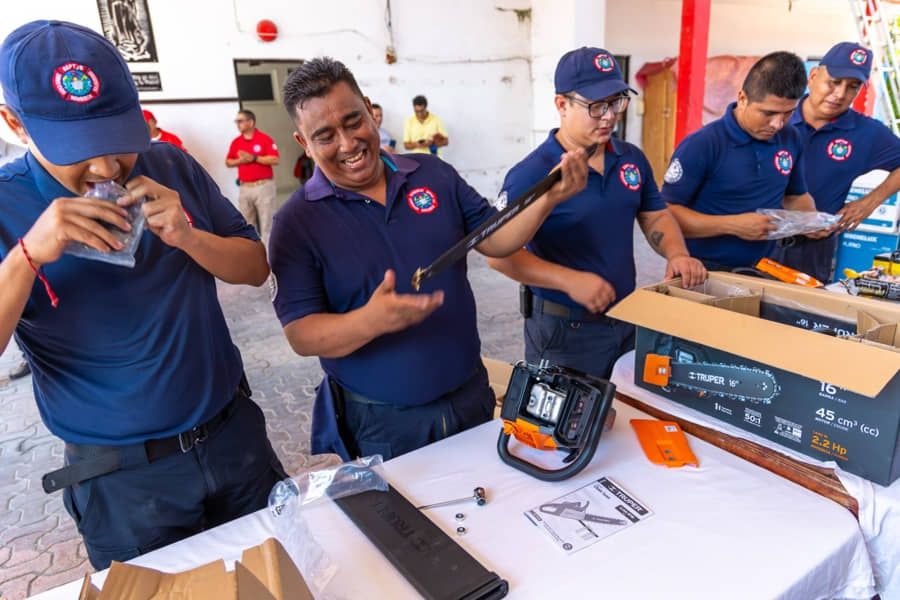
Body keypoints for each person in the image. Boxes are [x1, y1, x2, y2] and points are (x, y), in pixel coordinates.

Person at [0, 21, 285, 569]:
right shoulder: (6, 205)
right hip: (124, 484)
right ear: (15, 124)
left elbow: (254, 267)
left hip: (233, 440)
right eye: (78, 150)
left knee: (278, 577)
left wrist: (190, 237)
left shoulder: (171, 166)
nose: (106, 168)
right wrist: (28, 254)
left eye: (118, 140)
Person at [269, 57, 589, 460]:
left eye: (353, 122)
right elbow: (301, 334)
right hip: (383, 425)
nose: (348, 144)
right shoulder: (296, 223)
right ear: (303, 142)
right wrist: (369, 321)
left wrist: (550, 198)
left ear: (369, 110)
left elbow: (495, 239)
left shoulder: (432, 173)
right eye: (325, 136)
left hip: (470, 398)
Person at [488, 47, 706, 379]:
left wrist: (677, 253)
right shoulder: (532, 174)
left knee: (624, 404)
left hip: (625, 318)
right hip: (563, 332)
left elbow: (655, 214)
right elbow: (498, 255)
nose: (609, 116)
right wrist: (568, 280)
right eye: (596, 106)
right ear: (562, 105)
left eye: (616, 102)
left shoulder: (631, 159)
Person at [662, 51, 822, 271]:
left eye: (788, 113)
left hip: (765, 267)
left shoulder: (790, 138)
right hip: (703, 269)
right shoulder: (703, 144)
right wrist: (732, 225)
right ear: (742, 98)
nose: (777, 124)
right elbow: (666, 214)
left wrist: (812, 221)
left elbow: (795, 196)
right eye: (768, 113)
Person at [771, 42, 900, 282]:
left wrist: (870, 202)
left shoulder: (866, 133)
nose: (840, 94)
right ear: (813, 77)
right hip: (756, 242)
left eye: (853, 86)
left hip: (810, 254)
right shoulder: (776, 116)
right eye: (834, 82)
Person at [225, 109, 279, 244]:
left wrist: (254, 158)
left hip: (263, 187)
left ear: (251, 122)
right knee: (247, 224)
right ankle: (255, 253)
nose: (237, 124)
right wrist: (241, 161)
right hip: (245, 188)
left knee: (268, 224)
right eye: (236, 121)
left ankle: (269, 255)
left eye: (240, 121)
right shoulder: (236, 142)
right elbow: (228, 162)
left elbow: (275, 159)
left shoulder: (264, 139)